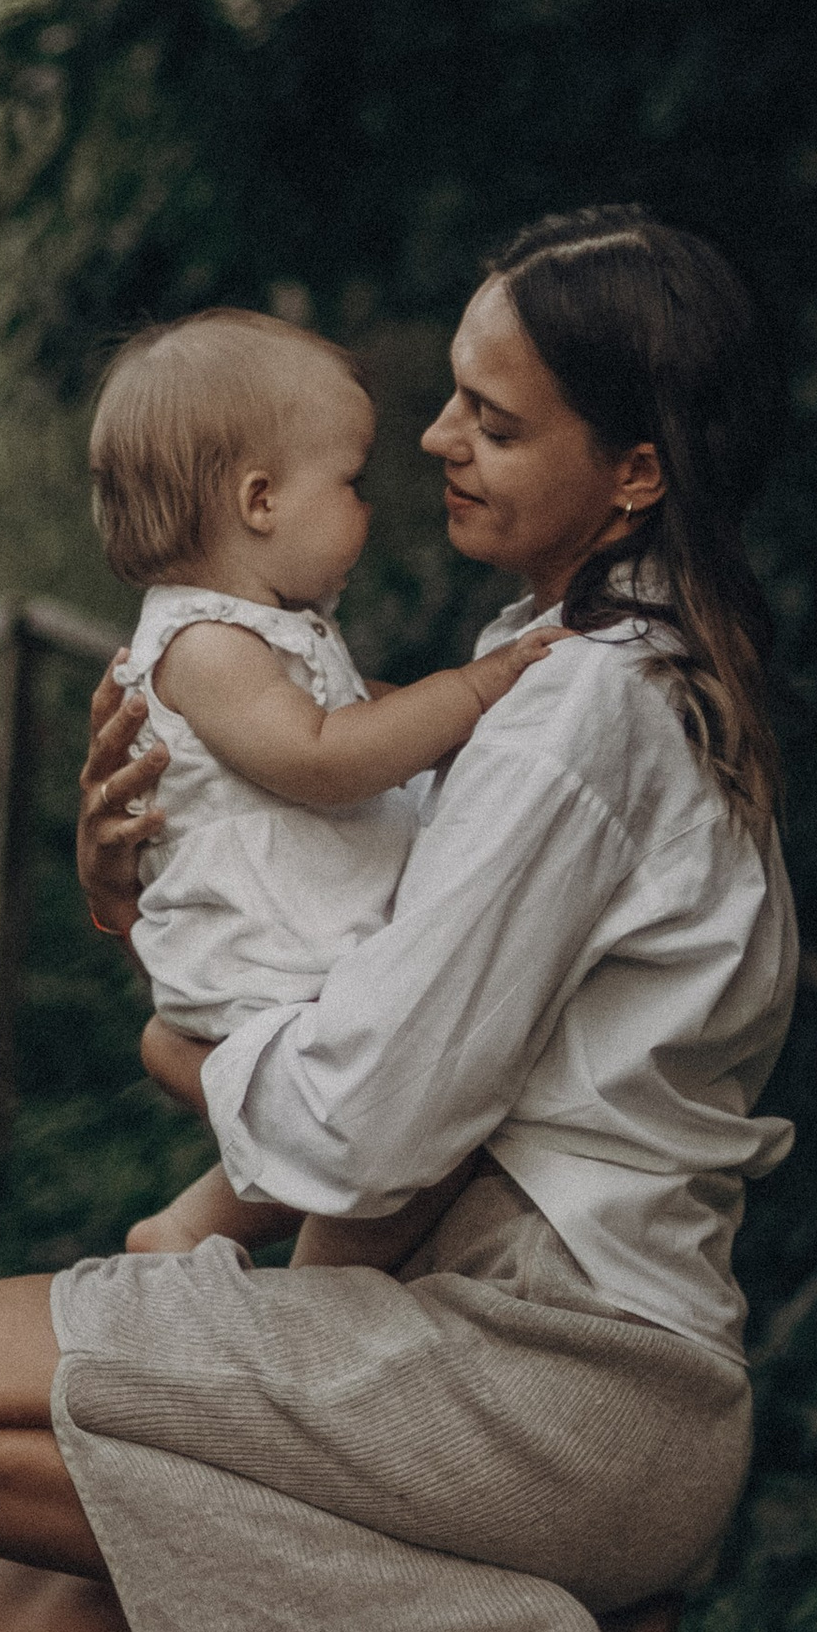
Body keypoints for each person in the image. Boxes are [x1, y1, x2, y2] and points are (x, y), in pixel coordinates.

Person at [0, 206, 799, 1632]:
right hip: (447, 1348)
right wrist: (141, 888)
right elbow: (350, 959)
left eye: (492, 417)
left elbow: (364, 1131)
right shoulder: (543, 671)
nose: (434, 439)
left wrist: (173, 1058)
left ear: (634, 474)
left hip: (566, 1377)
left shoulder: (585, 710)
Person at [86, 303, 555, 1263]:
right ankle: (302, 1298)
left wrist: (440, 723)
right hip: (272, 967)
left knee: (387, 1138)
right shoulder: (206, 644)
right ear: (260, 502)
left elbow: (352, 711)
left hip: (305, 965)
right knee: (401, 1129)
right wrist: (471, 692)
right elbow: (324, 756)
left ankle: (185, 1236)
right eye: (348, 482)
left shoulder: (267, 630)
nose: (370, 507)